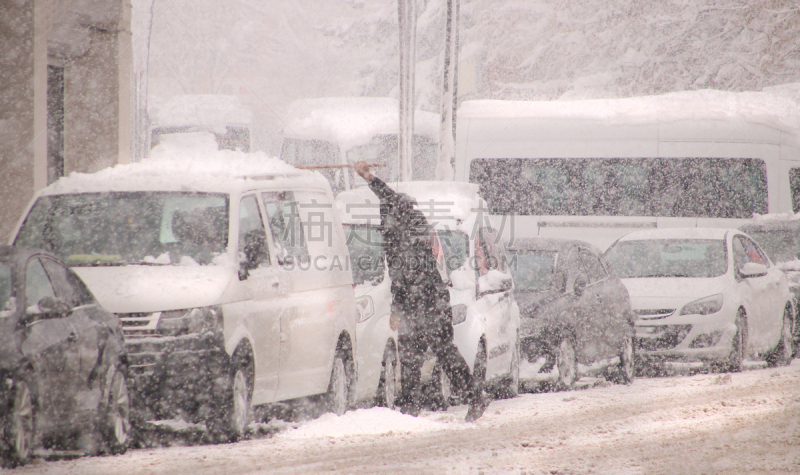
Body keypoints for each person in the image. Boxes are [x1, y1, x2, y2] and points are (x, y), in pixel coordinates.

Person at [352, 161, 490, 422]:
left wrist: (397, 310)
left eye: (385, 218)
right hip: (425, 300)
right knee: (415, 356)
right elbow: (387, 196)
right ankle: (413, 409)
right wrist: (369, 177)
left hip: (427, 301)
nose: (383, 223)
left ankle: (470, 397)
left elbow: (403, 277)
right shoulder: (405, 223)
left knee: (436, 353)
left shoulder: (405, 229)